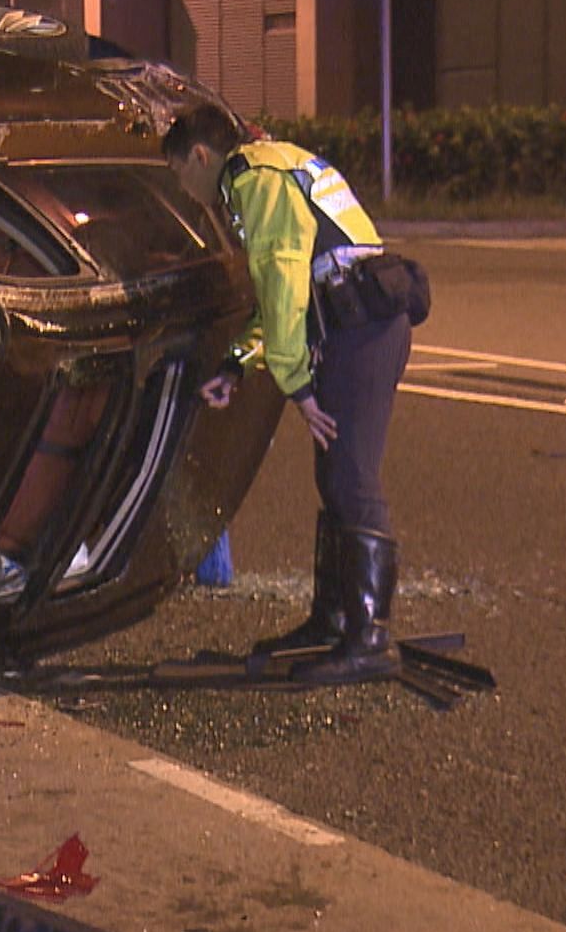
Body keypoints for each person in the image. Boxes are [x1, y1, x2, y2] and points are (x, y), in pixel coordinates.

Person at [165, 104, 422, 684]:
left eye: (182, 175)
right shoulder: (276, 163)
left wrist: (296, 385)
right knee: (335, 477)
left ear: (201, 156)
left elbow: (282, 280)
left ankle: (370, 639)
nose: (187, 191)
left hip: (362, 328)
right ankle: (335, 623)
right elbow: (285, 296)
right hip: (357, 322)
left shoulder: (254, 178)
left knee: (353, 476)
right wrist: (236, 366)